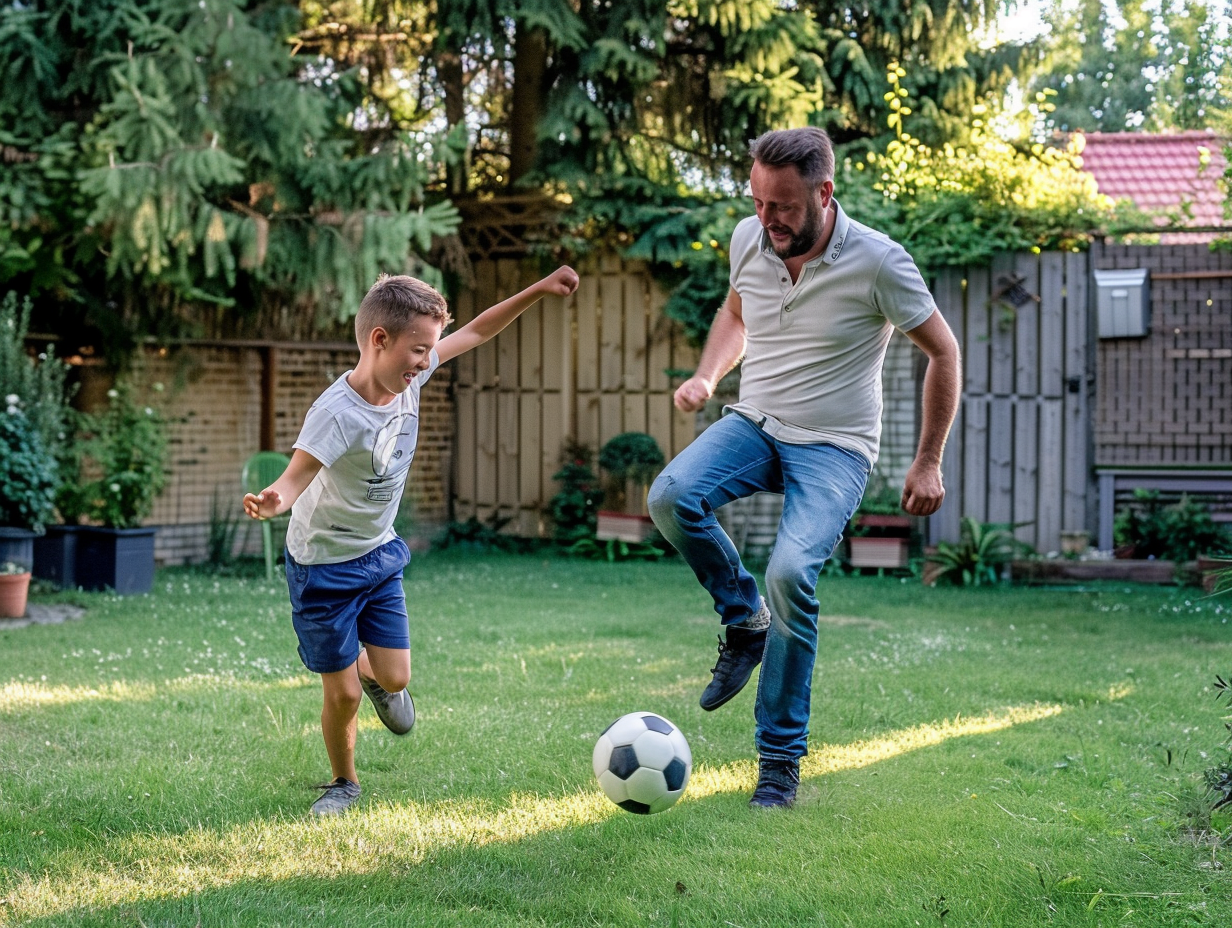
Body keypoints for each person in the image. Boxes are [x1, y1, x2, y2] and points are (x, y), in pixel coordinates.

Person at [647, 127, 961, 809]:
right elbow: (737, 314)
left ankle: (780, 760)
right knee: (671, 496)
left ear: (825, 192)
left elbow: (944, 352)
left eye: (783, 206)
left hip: (836, 445)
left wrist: (928, 459)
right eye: (758, 202)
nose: (768, 220)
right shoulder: (748, 240)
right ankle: (743, 619)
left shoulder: (879, 261)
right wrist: (707, 374)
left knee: (791, 572)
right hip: (756, 423)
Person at [244, 266, 580, 816]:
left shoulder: (412, 377)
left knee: (396, 678)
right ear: (380, 341)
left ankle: (368, 672)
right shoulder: (335, 413)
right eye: (419, 350)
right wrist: (273, 501)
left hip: (377, 552)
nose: (427, 362)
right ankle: (343, 783)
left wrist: (539, 289)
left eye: (429, 350)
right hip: (323, 566)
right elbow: (295, 476)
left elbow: (476, 331)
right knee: (344, 693)